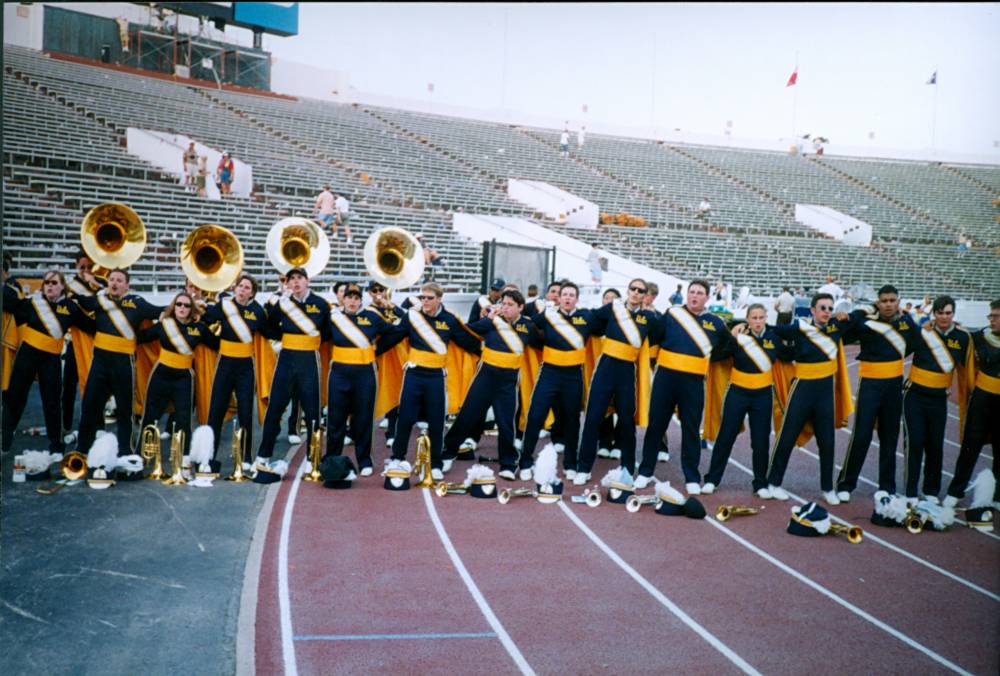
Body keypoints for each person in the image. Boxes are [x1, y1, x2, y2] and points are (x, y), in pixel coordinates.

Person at [378, 282, 482, 481]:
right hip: (414, 374)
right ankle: (397, 457)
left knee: (436, 420)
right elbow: (394, 337)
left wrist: (487, 352)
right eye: (423, 297)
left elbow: (467, 340)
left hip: (436, 376)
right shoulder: (412, 316)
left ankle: (435, 463)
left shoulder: (449, 319)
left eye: (429, 298)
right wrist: (372, 351)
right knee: (405, 417)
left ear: (439, 299)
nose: (425, 301)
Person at [635, 280, 728, 493]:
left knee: (691, 429)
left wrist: (707, 359)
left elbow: (728, 347)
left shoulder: (715, 322)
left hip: (693, 382)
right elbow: (655, 336)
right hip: (665, 378)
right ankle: (645, 471)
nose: (694, 296)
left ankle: (692, 477)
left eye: (699, 293)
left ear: (707, 297)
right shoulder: (673, 314)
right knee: (656, 425)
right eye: (692, 292)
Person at [764, 293, 852, 505]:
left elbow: (865, 318)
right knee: (787, 436)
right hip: (802, 388)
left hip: (825, 392)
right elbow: (771, 330)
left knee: (827, 441)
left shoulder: (836, 327)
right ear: (812, 310)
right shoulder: (800, 328)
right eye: (822, 307)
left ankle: (827, 488)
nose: (827, 312)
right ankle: (773, 483)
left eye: (830, 308)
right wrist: (744, 328)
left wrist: (848, 315)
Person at [834, 285, 917, 502]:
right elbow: (843, 332)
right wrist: (850, 314)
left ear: (898, 301)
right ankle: (846, 484)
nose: (889, 304)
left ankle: (887, 486)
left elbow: (916, 344)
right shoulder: (866, 321)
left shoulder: (906, 323)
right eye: (884, 301)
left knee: (890, 436)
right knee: (861, 434)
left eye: (892, 300)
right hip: (870, 383)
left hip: (893, 384)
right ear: (878, 303)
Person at [444, 289, 536, 479]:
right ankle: (447, 454)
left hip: (508, 383)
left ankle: (508, 463)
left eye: (510, 305)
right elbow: (467, 330)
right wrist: (488, 318)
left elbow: (543, 343)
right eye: (503, 304)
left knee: (506, 423)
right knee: (467, 416)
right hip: (485, 378)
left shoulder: (528, 325)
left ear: (521, 307)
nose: (506, 308)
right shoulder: (492, 322)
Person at [73, 269, 164, 460]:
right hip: (99, 362)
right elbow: (80, 302)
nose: (114, 283)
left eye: (119, 280)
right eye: (111, 279)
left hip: (124, 363)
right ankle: (82, 449)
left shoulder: (137, 302)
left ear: (127, 285)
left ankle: (126, 452)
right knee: (90, 406)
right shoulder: (99, 300)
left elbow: (158, 311)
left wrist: (188, 305)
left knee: (125, 410)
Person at [576, 279, 657, 484]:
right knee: (594, 417)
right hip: (605, 368)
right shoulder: (614, 307)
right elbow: (592, 319)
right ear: (627, 290)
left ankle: (627, 469)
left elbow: (661, 334)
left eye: (641, 291)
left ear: (645, 295)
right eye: (633, 289)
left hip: (627, 371)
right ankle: (583, 468)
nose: (636, 293)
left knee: (626, 422)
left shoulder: (649, 317)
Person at [2, 270, 91, 456]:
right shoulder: (33, 303)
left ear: (62, 286)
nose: (49, 286)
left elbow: (91, 326)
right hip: (26, 356)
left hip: (51, 359)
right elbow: (10, 303)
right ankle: (4, 440)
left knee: (51, 403)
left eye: (54, 282)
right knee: (15, 399)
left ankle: (56, 445)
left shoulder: (70, 307)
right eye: (47, 282)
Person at [703, 303, 787, 496]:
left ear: (766, 318)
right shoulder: (739, 338)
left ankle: (760, 483)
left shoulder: (773, 338)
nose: (758, 322)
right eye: (754, 318)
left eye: (761, 317)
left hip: (763, 395)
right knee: (726, 437)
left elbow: (791, 355)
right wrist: (731, 337)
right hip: (738, 392)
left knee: (760, 441)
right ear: (747, 319)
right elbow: (716, 356)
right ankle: (712, 479)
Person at [518, 281, 596, 479]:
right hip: (549, 373)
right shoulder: (548, 315)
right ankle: (525, 462)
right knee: (535, 416)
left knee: (572, 420)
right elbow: (526, 325)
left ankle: (570, 464)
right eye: (565, 295)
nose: (568, 298)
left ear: (576, 299)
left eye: (572, 294)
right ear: (558, 298)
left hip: (573, 376)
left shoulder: (586, 316)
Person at [254, 267, 331, 467]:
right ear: (287, 283)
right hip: (286, 359)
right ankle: (264, 455)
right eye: (292, 279)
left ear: (307, 281)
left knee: (312, 410)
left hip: (309, 360)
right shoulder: (283, 304)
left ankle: (311, 457)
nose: (295, 282)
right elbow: (267, 326)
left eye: (299, 278)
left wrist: (308, 341)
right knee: (275, 407)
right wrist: (285, 338)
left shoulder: (321, 304)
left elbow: (328, 332)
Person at [902, 295, 973, 503]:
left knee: (935, 445)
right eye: (940, 313)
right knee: (914, 443)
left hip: (939, 398)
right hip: (914, 394)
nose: (944, 317)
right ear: (934, 313)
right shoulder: (923, 332)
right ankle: (910, 492)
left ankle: (931, 491)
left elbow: (969, 368)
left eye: (948, 313)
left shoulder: (962, 337)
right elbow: (899, 349)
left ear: (954, 314)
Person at [136, 292, 218, 456]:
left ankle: (183, 460)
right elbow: (140, 338)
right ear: (174, 307)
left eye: (187, 305)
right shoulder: (164, 325)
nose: (182, 307)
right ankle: (141, 457)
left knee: (183, 420)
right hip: (160, 375)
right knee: (150, 417)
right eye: (179, 304)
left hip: (184, 378)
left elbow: (218, 344)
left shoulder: (199, 328)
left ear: (191, 309)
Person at [325, 283, 395, 476]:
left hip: (365, 373)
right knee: (335, 419)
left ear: (360, 300)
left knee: (363, 418)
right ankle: (331, 459)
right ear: (343, 299)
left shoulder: (372, 316)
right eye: (349, 297)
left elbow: (394, 332)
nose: (353, 301)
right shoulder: (333, 317)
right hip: (338, 372)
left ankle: (364, 460)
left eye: (356, 298)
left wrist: (376, 350)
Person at [203, 274, 267, 459]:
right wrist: (215, 343)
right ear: (234, 288)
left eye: (247, 288)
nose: (242, 290)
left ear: (252, 293)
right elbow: (204, 322)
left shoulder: (258, 311)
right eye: (240, 286)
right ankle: (209, 455)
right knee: (216, 409)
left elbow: (268, 331)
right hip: (225, 364)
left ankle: (245, 457)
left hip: (246, 367)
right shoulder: (224, 305)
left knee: (246, 412)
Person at [944, 299, 999, 508]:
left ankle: (997, 495)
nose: (991, 320)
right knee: (970, 446)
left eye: (996, 316)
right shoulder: (979, 337)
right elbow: (955, 339)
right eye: (990, 316)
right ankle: (955, 491)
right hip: (982, 399)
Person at [63, 251, 106, 438]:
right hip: (76, 340)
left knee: (95, 385)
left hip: (98, 341)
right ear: (76, 267)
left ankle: (97, 425)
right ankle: (64, 424)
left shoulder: (101, 284)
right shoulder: (69, 286)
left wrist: (95, 284)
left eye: (90, 267)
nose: (87, 271)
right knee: (69, 383)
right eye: (83, 267)